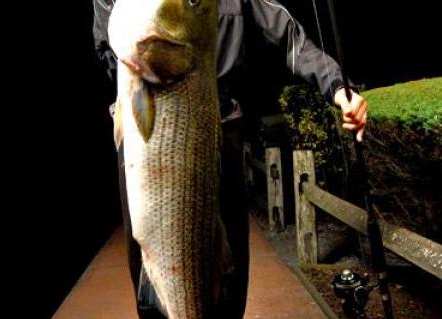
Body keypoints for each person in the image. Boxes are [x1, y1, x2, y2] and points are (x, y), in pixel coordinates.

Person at [92, 0, 368, 318]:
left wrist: (337, 87)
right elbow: (109, 49)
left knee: (230, 272)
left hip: (223, 130)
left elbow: (290, 37)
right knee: (150, 266)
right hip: (150, 127)